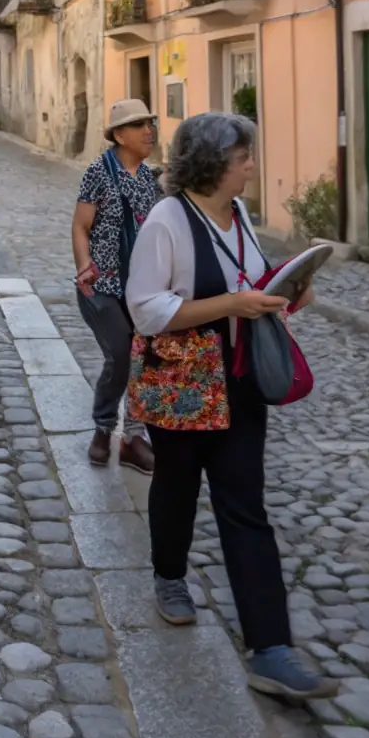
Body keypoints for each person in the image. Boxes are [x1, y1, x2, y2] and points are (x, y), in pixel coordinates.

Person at [125, 112, 336, 702]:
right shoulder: (167, 220)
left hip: (238, 382)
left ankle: (271, 649)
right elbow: (145, 309)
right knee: (177, 487)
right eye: (244, 156)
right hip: (183, 384)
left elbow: (250, 284)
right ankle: (169, 577)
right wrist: (229, 304)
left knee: (246, 506)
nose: (251, 164)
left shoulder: (238, 215)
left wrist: (285, 290)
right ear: (216, 162)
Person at [72, 99, 160, 475]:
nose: (149, 131)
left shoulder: (150, 177)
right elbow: (80, 225)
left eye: (150, 124)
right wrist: (83, 266)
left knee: (143, 360)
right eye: (139, 126)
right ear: (120, 135)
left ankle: (133, 439)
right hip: (102, 285)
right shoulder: (98, 172)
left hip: (141, 287)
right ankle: (104, 428)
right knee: (121, 356)